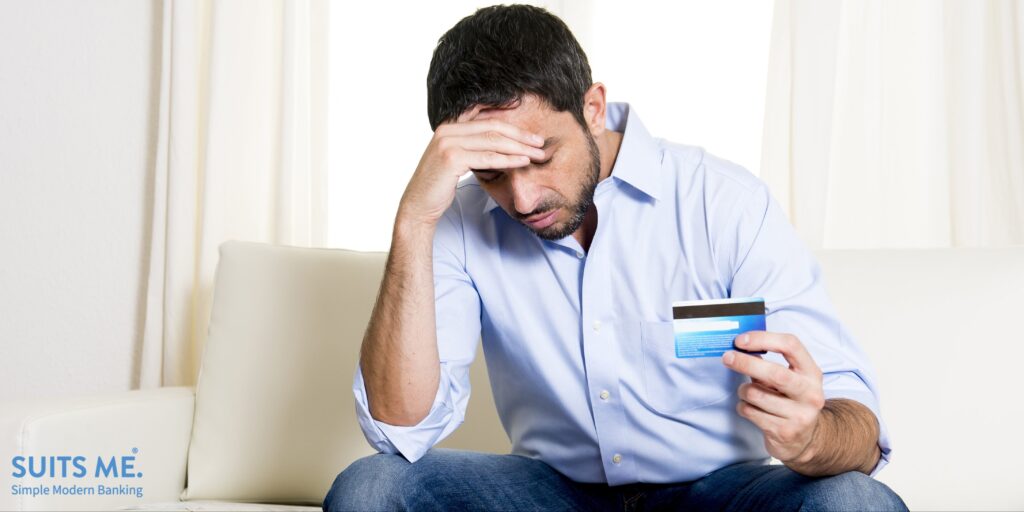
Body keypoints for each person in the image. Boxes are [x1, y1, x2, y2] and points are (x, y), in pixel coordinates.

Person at [324, 4, 907, 511]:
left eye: (540, 156)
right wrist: (413, 221)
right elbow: (402, 430)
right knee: (372, 490)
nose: (522, 200)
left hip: (718, 493)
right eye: (493, 171)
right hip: (551, 494)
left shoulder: (723, 203)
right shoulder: (457, 221)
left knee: (856, 501)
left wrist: (809, 439)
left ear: (593, 107)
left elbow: (855, 422)